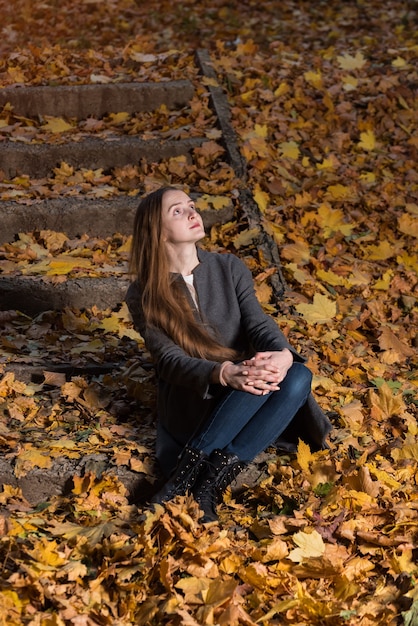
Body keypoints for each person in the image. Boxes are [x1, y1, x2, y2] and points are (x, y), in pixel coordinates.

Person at [125, 186, 332, 522]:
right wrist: (222, 373)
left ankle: (203, 482)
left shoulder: (228, 267)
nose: (193, 213)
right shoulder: (144, 293)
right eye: (177, 211)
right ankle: (185, 476)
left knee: (299, 375)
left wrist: (282, 354)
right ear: (156, 229)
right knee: (253, 376)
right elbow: (168, 361)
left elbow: (258, 323)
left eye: (191, 205)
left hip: (247, 387)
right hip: (196, 396)